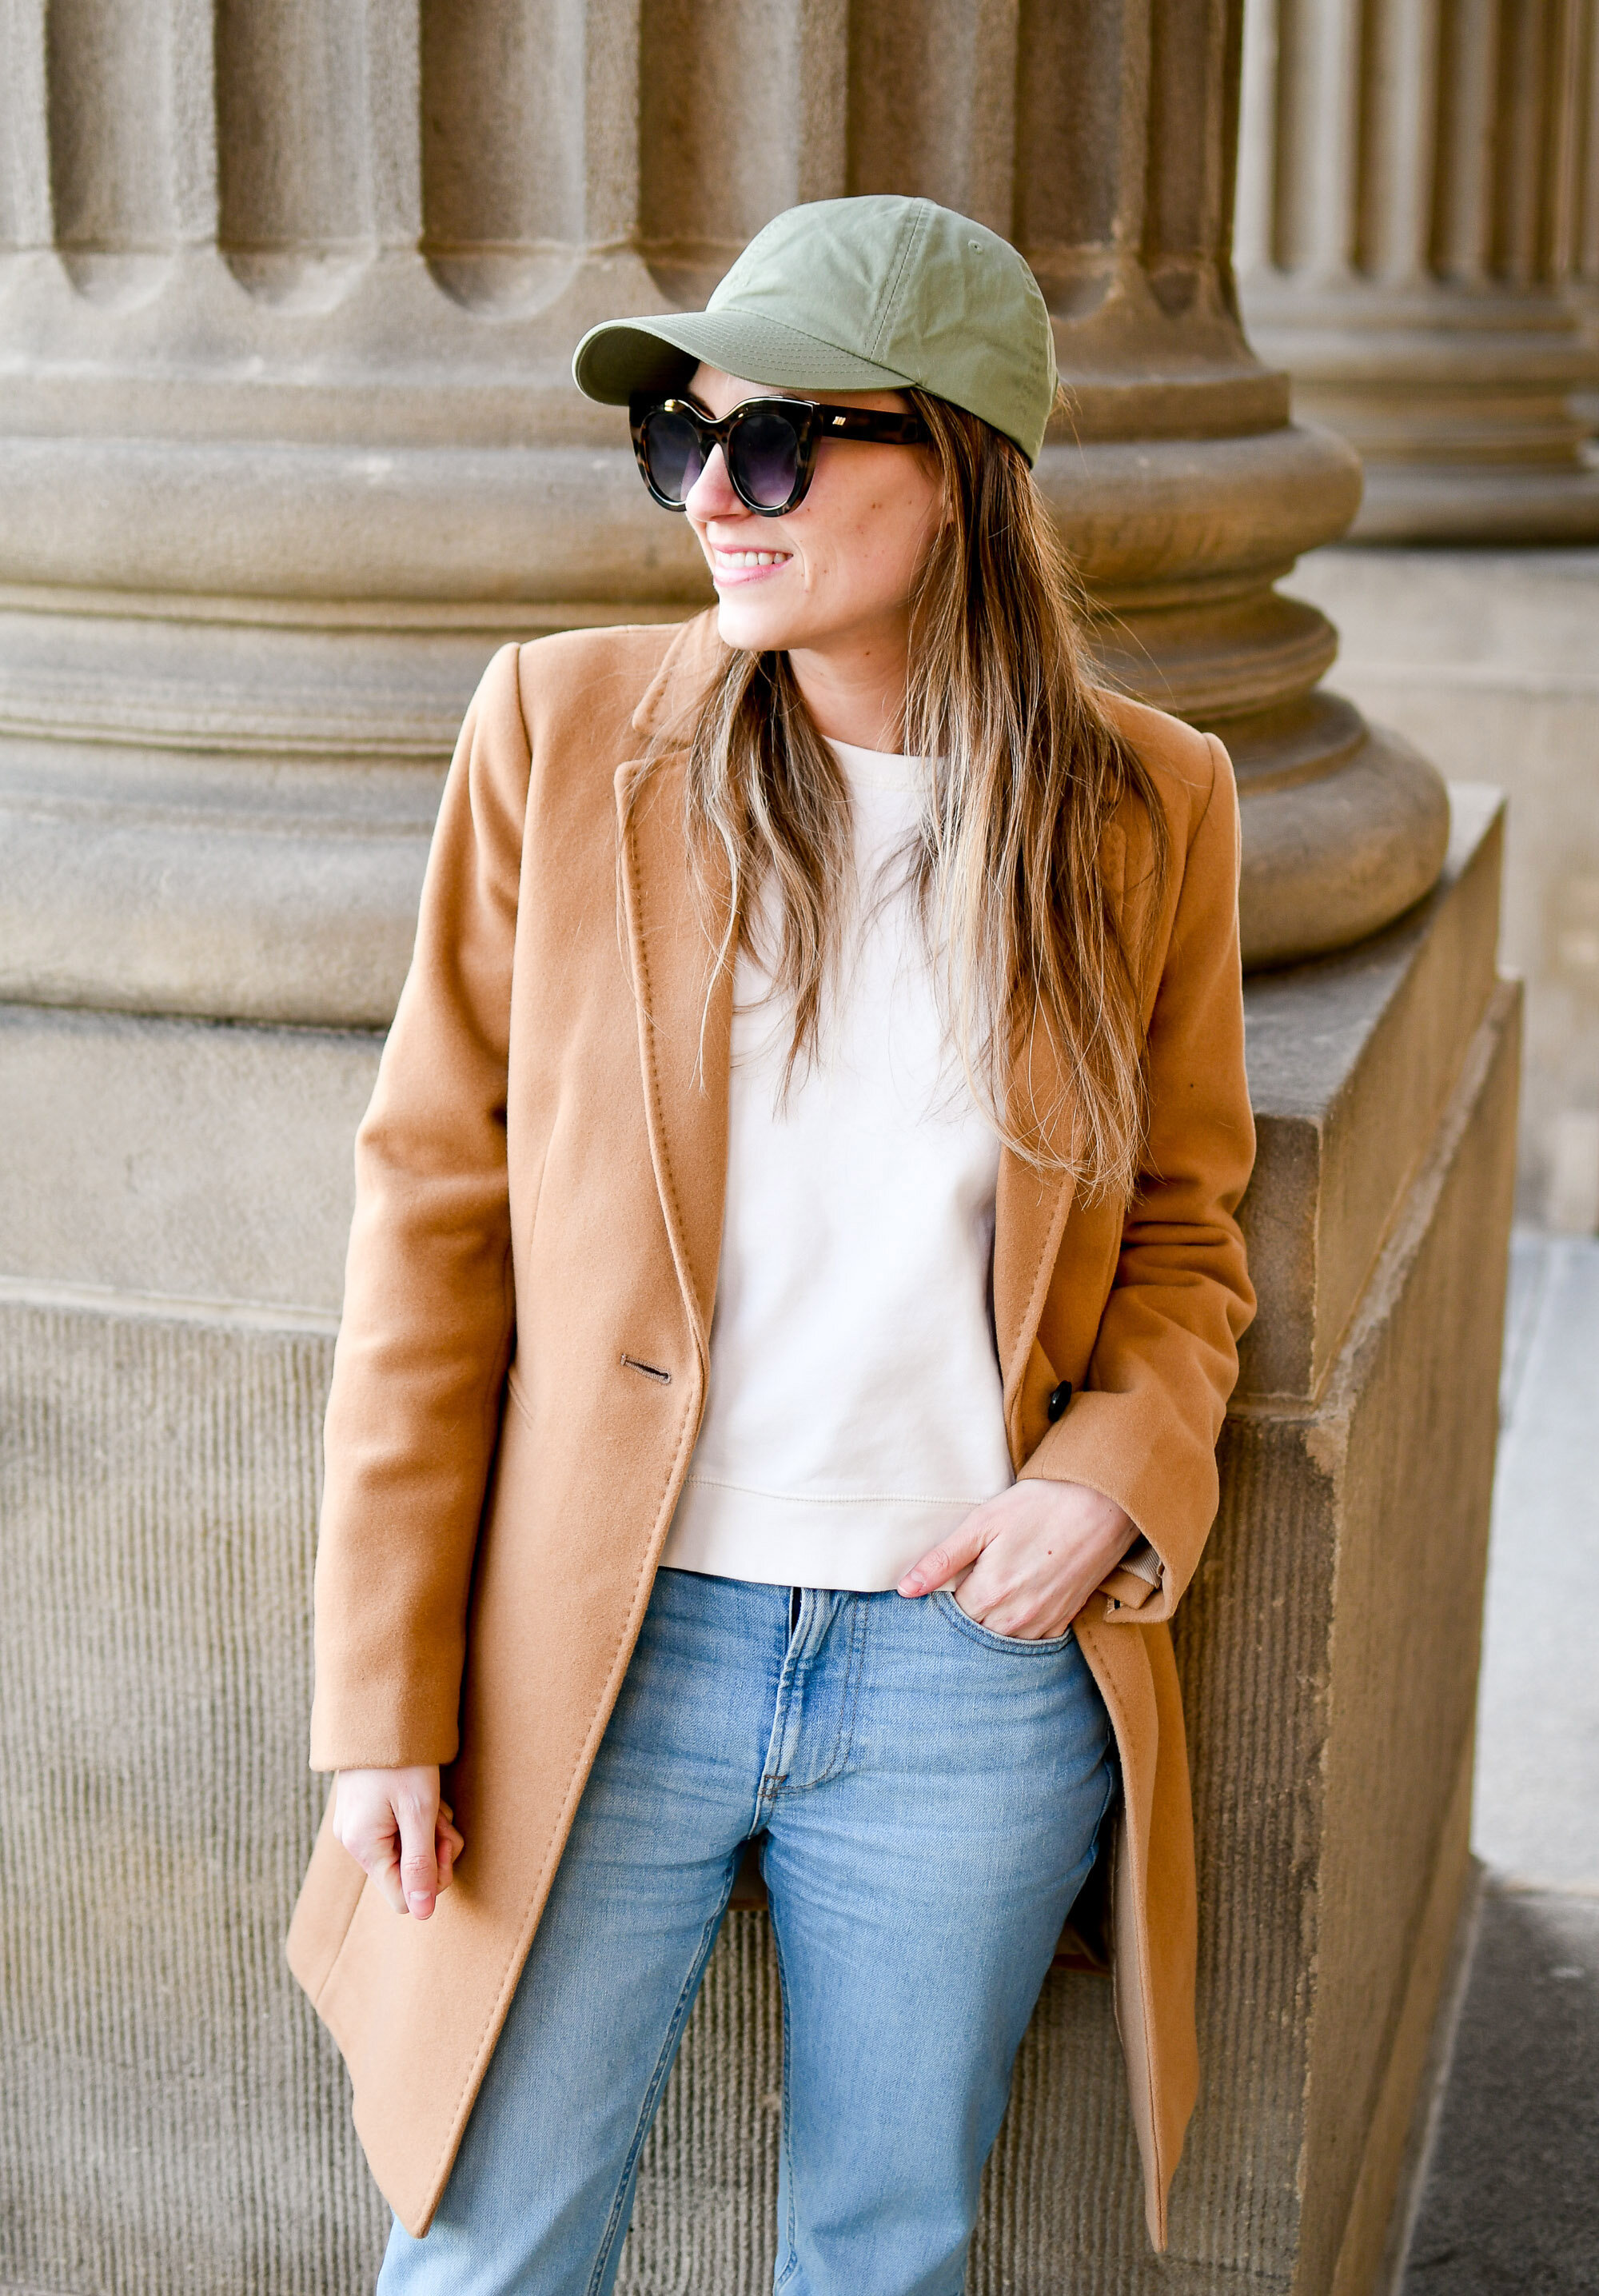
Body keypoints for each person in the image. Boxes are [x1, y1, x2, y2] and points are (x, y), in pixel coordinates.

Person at [288, 194, 1255, 2296]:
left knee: (880, 2254)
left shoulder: (1147, 807)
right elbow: (432, 1227)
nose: (713, 500)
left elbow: (1187, 1237)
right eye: (680, 444)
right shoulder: (563, 733)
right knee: (482, 2246)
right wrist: (382, 1696)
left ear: (961, 472)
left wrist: (1113, 1480)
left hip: (964, 1675)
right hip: (597, 1651)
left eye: (779, 446)